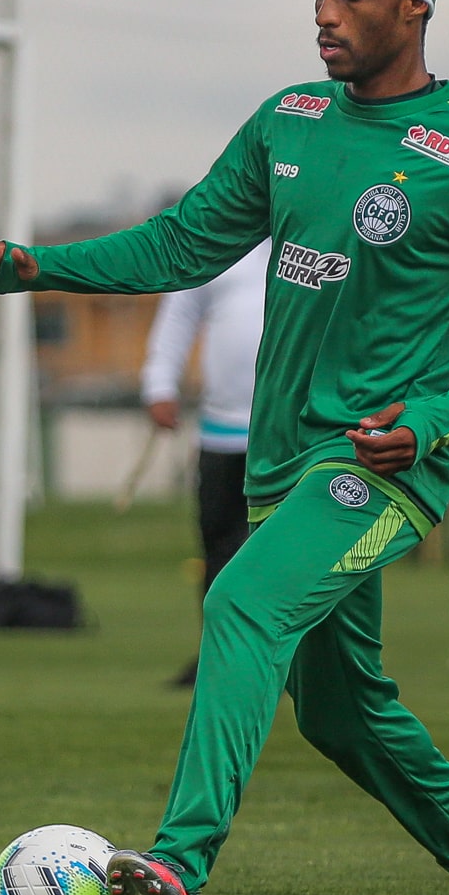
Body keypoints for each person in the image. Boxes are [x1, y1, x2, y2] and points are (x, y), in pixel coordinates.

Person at [0, 0, 449, 895]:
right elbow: (180, 244)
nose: (325, 13)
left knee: (238, 600)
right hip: (277, 461)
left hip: (377, 466)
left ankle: (177, 867)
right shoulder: (288, 120)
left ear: (413, 5)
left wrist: (433, 419)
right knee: (338, 711)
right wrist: (35, 267)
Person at [140, 240, 268, 689]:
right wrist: (159, 384)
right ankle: (218, 658)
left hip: (291, 431)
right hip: (221, 430)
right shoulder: (218, 243)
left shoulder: (315, 236)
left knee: (284, 549)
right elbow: (178, 315)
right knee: (219, 546)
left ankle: (290, 660)